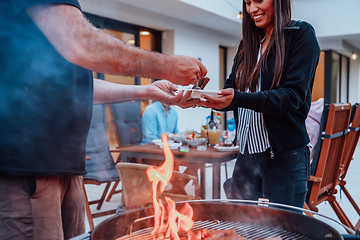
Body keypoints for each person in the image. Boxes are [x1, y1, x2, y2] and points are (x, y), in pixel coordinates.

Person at [0, 1, 207, 239]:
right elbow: (81, 43)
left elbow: (82, 87)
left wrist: (147, 91)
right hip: (28, 170)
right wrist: (166, 65)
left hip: (67, 169)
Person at [199, 0, 320, 208]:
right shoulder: (247, 44)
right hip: (247, 155)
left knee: (283, 233)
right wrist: (204, 98)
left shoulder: (300, 35)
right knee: (240, 228)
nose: (252, 9)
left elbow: (292, 96)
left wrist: (237, 98)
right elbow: (232, 90)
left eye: (258, 1)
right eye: (247, 3)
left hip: (285, 157)